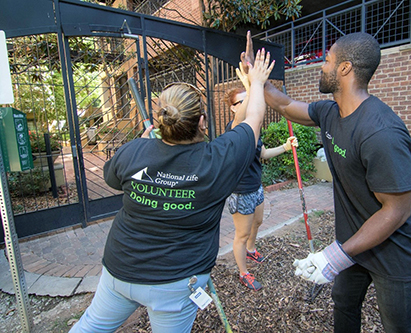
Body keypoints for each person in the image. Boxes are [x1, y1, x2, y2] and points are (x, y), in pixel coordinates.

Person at [69, 49, 275, 333]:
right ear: (202, 122)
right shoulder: (218, 160)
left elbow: (113, 180)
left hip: (120, 269)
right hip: (176, 282)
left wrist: (141, 146)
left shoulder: (135, 150)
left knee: (90, 327)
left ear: (161, 122)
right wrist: (257, 82)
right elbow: (253, 119)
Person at [241, 31, 411, 332]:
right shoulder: (330, 113)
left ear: (345, 69)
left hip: (396, 251)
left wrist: (336, 255)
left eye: (327, 60)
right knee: (343, 302)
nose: (321, 66)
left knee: (402, 328)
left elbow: (397, 210)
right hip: (357, 243)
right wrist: (257, 77)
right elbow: (284, 104)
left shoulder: (380, 133)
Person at [224, 83, 298, 291]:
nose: (249, 103)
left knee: (257, 222)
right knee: (241, 234)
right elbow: (240, 120)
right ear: (233, 108)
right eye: (243, 100)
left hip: (256, 186)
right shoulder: (235, 128)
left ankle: (251, 249)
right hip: (241, 190)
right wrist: (253, 83)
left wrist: (285, 147)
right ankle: (243, 273)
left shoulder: (254, 127)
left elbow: (262, 154)